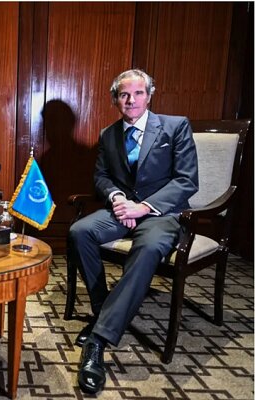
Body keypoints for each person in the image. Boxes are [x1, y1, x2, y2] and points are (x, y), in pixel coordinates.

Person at [67, 69, 198, 394]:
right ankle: (103, 311)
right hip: (122, 210)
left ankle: (98, 338)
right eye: (124, 94)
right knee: (79, 231)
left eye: (138, 93)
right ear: (115, 99)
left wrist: (144, 207)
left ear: (149, 96)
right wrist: (117, 198)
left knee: (149, 247)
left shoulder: (175, 126)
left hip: (160, 214)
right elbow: (101, 177)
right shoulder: (108, 134)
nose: (131, 100)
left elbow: (187, 180)